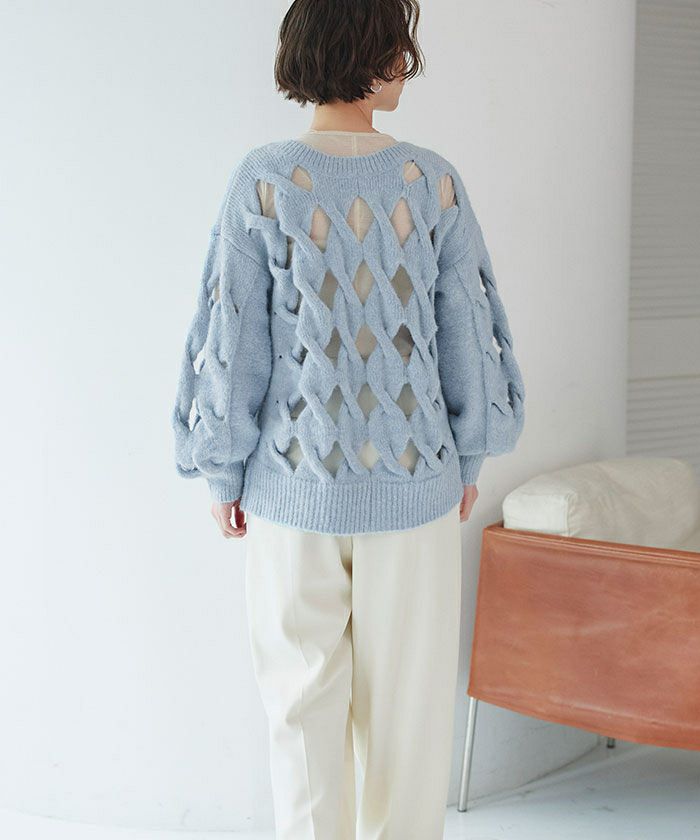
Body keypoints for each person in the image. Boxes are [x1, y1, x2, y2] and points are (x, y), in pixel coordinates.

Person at [171, 1, 525, 837]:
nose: (406, 63)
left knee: (301, 720)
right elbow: (465, 334)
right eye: (398, 46)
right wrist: (468, 457)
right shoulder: (431, 183)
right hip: (417, 492)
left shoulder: (264, 181)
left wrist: (223, 471)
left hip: (291, 494)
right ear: (370, 53)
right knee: (408, 725)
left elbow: (234, 341)